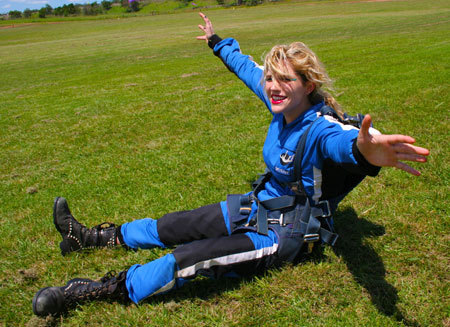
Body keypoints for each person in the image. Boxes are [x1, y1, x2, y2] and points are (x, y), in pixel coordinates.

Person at [32, 13, 430, 317]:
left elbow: (345, 145)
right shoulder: (280, 101)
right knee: (174, 225)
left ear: (308, 86)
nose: (273, 86)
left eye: (284, 79)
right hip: (257, 205)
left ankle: (98, 289)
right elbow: (245, 69)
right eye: (271, 78)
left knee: (187, 258)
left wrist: (364, 152)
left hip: (285, 233)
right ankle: (94, 238)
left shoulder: (321, 127)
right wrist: (217, 42)